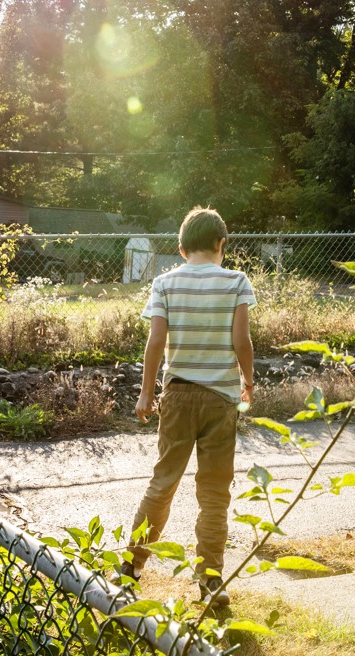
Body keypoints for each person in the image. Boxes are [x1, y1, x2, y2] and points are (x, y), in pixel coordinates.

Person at [119, 207, 256, 608]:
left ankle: (130, 567)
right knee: (214, 493)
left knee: (162, 484)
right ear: (221, 244)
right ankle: (211, 582)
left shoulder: (164, 282)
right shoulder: (236, 282)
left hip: (176, 396)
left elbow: (155, 343)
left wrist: (146, 393)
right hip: (220, 400)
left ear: (181, 248)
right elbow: (241, 341)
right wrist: (247, 381)